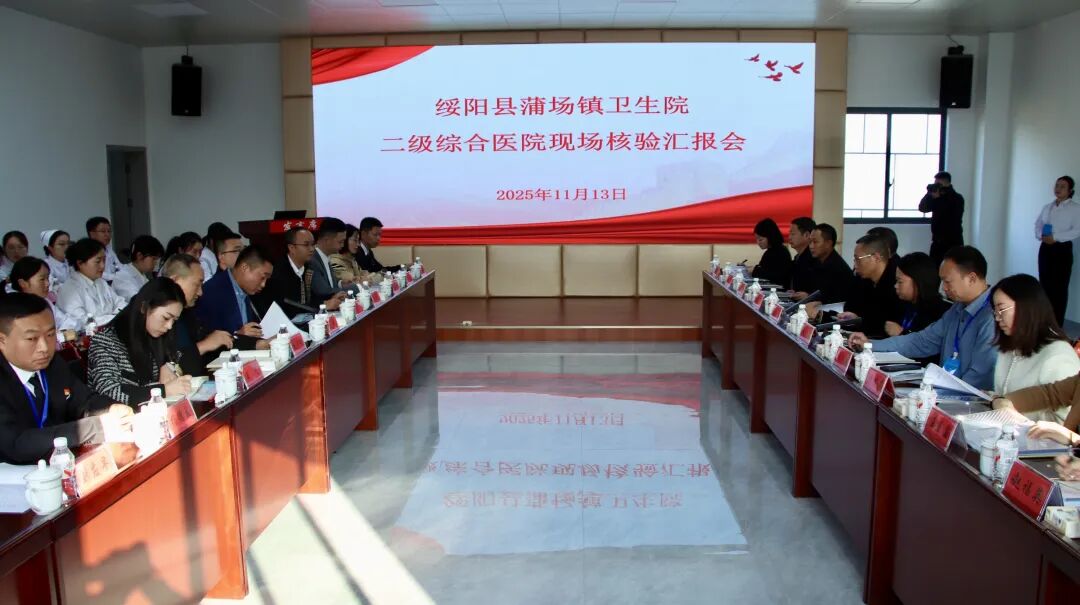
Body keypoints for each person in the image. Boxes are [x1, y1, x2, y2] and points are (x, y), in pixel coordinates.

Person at [0, 293, 133, 464]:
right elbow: (16, 443)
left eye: (50, 335)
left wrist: (110, 409)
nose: (44, 347)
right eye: (32, 338)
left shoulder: (54, 364)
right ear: (2, 340)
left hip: (60, 462)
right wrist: (96, 427)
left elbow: (83, 400)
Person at [850, 246, 997, 390]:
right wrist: (871, 345)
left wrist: (942, 394)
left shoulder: (993, 316)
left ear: (971, 279)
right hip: (944, 390)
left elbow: (980, 375)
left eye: (947, 281)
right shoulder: (957, 309)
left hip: (966, 397)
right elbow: (922, 341)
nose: (943, 288)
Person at [985, 274, 1080, 418]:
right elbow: (1005, 394)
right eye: (995, 312)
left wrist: (1014, 416)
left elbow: (1064, 420)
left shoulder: (1058, 356)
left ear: (1026, 307)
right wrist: (991, 398)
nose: (997, 318)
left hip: (1027, 431)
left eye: (1001, 310)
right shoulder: (1011, 346)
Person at [87, 278, 191, 406]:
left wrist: (168, 365)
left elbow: (177, 357)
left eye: (174, 320)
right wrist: (164, 391)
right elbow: (109, 390)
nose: (169, 326)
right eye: (166, 318)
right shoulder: (105, 341)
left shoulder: (157, 333)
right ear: (144, 307)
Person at [160, 254, 233, 375]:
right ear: (174, 281)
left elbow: (212, 340)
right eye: (196, 285)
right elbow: (167, 365)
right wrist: (202, 346)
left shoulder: (189, 313)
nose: (200, 292)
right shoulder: (154, 317)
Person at [196, 246, 273, 351]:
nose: (263, 284)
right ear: (245, 268)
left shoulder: (253, 292)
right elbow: (209, 340)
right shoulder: (212, 292)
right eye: (262, 277)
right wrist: (237, 335)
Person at [261, 227, 344, 319]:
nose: (312, 249)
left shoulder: (309, 267)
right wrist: (323, 305)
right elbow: (289, 306)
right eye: (306, 245)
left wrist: (332, 298)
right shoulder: (279, 272)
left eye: (313, 244)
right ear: (292, 248)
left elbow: (312, 298)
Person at [1034, 175, 1079, 326]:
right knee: (1044, 285)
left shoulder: (1075, 209)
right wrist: (1041, 235)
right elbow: (1038, 224)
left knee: (1059, 288)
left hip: (1062, 250)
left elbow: (1077, 230)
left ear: (1070, 190)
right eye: (1057, 185)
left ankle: (1056, 325)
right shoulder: (1048, 207)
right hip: (1045, 248)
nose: (1058, 189)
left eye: (1062, 186)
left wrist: (1056, 237)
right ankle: (1043, 322)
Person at [840, 232, 901, 338]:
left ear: (876, 258)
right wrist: (856, 318)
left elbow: (887, 327)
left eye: (858, 259)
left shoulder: (896, 284)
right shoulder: (865, 279)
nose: (855, 265)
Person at [56, 238, 126, 330]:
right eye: (98, 261)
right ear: (80, 263)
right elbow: (83, 322)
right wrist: (114, 317)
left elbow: (120, 302)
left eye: (104, 260)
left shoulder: (101, 282)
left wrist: (116, 316)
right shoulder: (70, 289)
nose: (102, 266)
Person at [884, 252, 950, 337]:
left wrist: (901, 333)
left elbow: (926, 342)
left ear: (918, 282)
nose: (895, 286)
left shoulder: (937, 314)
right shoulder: (904, 304)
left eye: (900, 281)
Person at [7, 257, 77, 334]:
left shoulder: (43, 300)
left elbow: (67, 322)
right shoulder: (13, 308)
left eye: (47, 278)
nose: (48, 283)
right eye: (42, 279)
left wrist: (61, 334)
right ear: (23, 283)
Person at [918, 171, 965, 266]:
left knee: (954, 268)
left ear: (947, 183)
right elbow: (922, 208)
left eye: (938, 184)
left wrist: (939, 198)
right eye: (935, 183)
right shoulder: (936, 196)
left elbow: (951, 216)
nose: (936, 186)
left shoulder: (957, 198)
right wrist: (929, 194)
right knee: (935, 269)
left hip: (953, 243)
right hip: (937, 243)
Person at [310, 217, 359, 301]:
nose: (343, 245)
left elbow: (330, 284)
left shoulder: (326, 256)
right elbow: (325, 292)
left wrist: (341, 283)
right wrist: (358, 287)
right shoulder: (313, 261)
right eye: (340, 242)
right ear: (327, 240)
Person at [805, 223, 852, 304]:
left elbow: (836, 301)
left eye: (815, 242)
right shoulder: (817, 262)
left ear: (828, 243)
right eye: (810, 242)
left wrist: (810, 297)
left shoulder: (838, 268)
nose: (811, 246)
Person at [111, 235, 164, 301]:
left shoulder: (142, 276)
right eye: (153, 259)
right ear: (139, 256)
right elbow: (137, 300)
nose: (156, 263)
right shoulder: (122, 277)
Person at [750, 218, 793, 288]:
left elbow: (775, 276)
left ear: (770, 237)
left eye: (760, 239)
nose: (758, 242)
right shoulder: (770, 251)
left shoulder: (780, 252)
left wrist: (755, 270)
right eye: (756, 239)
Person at [85, 217, 122, 282]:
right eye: (103, 231)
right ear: (92, 234)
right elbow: (96, 273)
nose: (107, 234)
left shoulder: (108, 248)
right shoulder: (86, 251)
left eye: (109, 231)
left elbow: (119, 266)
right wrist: (116, 277)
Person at [789, 216, 817, 297]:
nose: (789, 237)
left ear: (807, 235)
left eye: (793, 234)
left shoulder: (813, 258)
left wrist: (809, 295)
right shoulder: (798, 257)